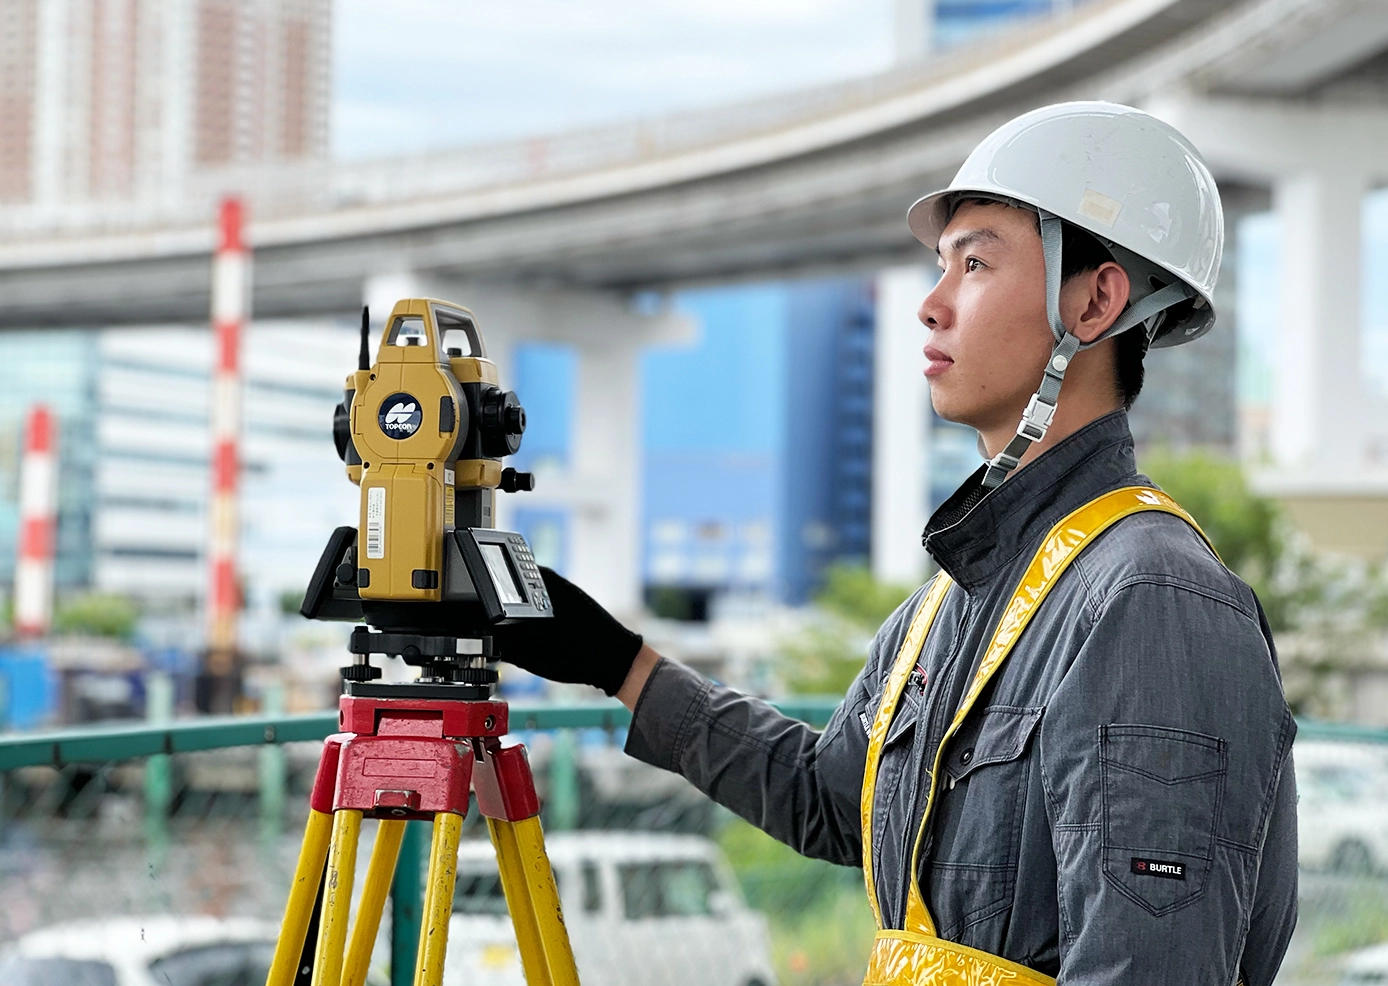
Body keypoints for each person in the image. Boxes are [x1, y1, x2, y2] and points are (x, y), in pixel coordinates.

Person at [489, 102, 1298, 985]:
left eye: (978, 262)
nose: (931, 304)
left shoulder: (1150, 599)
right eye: (941, 266)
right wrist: (618, 662)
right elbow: (838, 801)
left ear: (1096, 300)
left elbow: (1152, 971)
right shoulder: (953, 602)